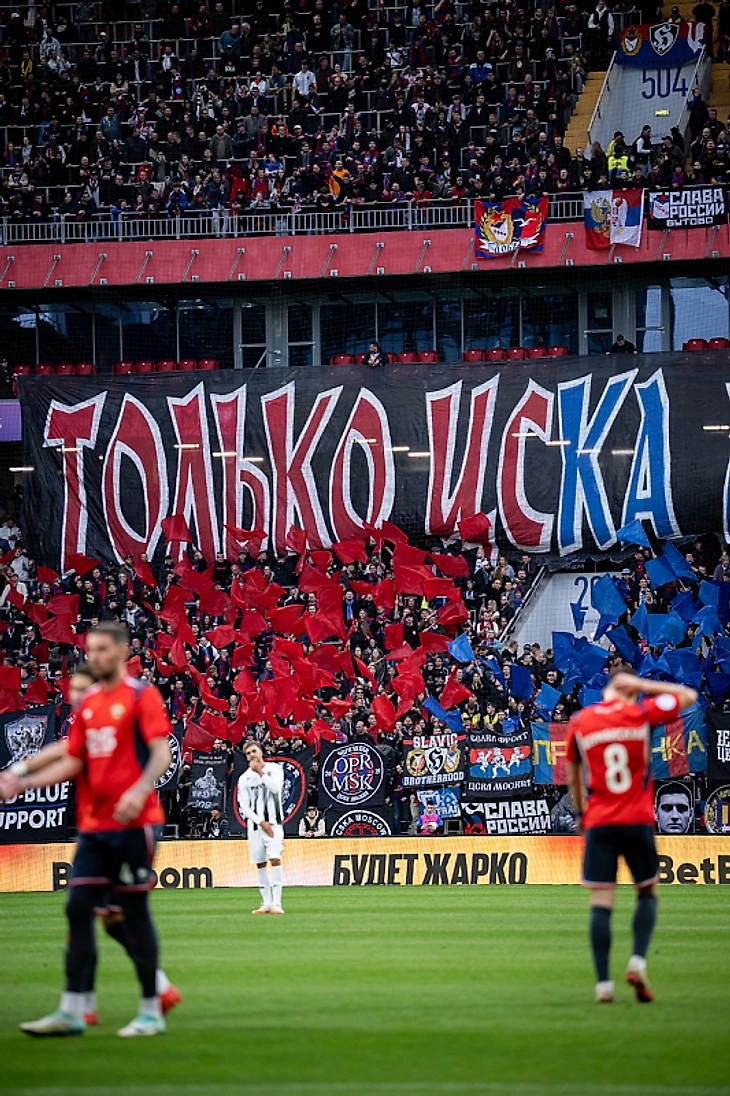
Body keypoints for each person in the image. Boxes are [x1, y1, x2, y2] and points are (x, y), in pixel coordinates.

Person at [0, 622, 175, 1037]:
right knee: (78, 907)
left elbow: (161, 753)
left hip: (134, 822)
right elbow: (74, 760)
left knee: (132, 912)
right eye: (90, 649)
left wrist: (139, 788)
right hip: (94, 825)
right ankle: (72, 1009)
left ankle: (150, 1009)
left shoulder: (141, 695)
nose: (94, 656)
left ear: (122, 651)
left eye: (101, 649)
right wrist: (23, 783)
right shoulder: (91, 703)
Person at [567, 670, 698, 1004]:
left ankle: (603, 986)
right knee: (647, 891)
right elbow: (688, 696)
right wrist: (644, 686)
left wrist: (581, 814)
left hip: (599, 820)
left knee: (601, 902)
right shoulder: (640, 713)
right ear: (629, 688)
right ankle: (638, 962)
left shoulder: (581, 721)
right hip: (637, 819)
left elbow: (573, 773)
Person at [236, 740, 285, 914]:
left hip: (274, 824)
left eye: (254, 751)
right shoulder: (244, 778)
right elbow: (244, 807)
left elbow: (276, 788)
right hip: (256, 827)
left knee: (275, 859)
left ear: (261, 752)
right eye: (248, 753)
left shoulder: (275, 769)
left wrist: (260, 772)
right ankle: (266, 903)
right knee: (260, 863)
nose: (252, 755)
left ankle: (277, 903)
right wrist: (260, 822)